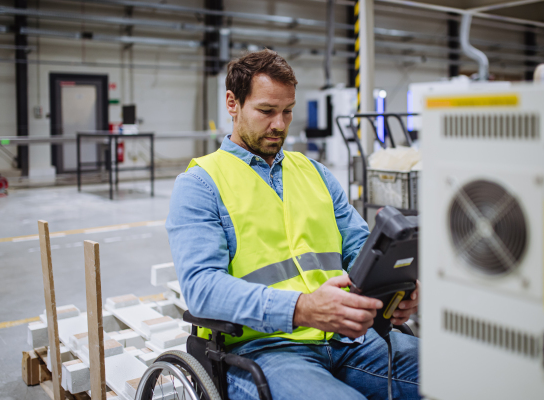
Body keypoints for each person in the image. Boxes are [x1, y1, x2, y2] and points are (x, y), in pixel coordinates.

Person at [166, 49, 420, 400]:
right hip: (266, 351)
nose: (280, 125)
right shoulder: (201, 184)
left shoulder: (315, 173)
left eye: (288, 111)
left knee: (463, 371)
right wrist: (302, 309)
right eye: (267, 111)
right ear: (232, 103)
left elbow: (362, 247)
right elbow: (202, 288)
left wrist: (396, 287)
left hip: (348, 341)